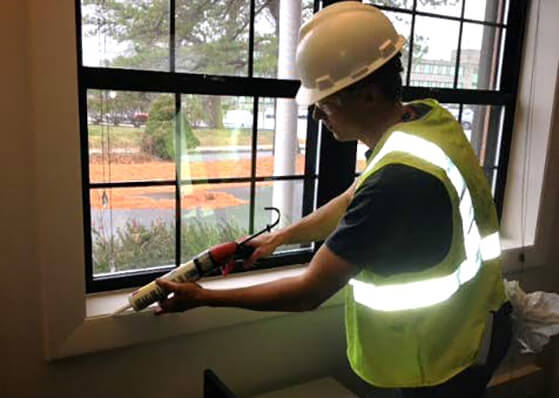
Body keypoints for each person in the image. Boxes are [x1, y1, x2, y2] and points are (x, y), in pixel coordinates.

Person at [155, 2, 512, 396]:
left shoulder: (396, 181)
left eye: (326, 99)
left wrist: (204, 298)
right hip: (472, 324)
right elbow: (351, 198)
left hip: (436, 361)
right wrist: (279, 238)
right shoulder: (427, 121)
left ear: (370, 94)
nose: (319, 114)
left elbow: (309, 291)